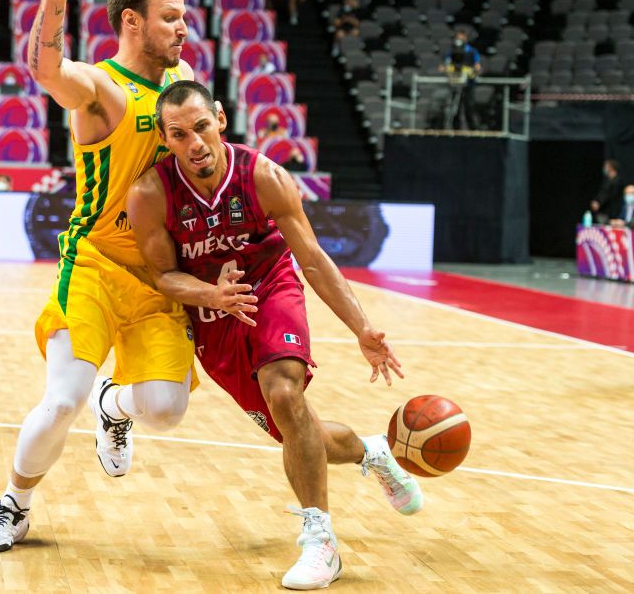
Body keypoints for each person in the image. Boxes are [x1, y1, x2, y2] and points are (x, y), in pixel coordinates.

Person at [127, 81, 422, 590]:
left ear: (220, 119)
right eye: (179, 134)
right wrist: (209, 295)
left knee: (285, 393)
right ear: (165, 137)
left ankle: (321, 542)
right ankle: (372, 451)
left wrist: (361, 328)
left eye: (201, 127)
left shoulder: (264, 176)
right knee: (298, 430)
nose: (194, 142)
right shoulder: (150, 194)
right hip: (215, 315)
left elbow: (311, 258)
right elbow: (163, 276)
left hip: (270, 287)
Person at [0, 0, 197, 553]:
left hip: (158, 275)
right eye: (171, 17)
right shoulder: (100, 88)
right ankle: (12, 504)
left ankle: (115, 408)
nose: (183, 28)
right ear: (132, 22)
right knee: (62, 398)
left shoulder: (187, 100)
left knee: (166, 409)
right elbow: (46, 70)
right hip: (94, 263)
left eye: (184, 18)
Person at [439, 30, 481, 130]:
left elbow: (477, 66)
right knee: (454, 108)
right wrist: (447, 68)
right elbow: (444, 66)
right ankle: (455, 129)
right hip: (455, 82)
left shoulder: (472, 51)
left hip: (468, 84)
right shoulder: (452, 51)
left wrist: (474, 70)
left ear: (466, 38)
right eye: (458, 37)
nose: (460, 39)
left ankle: (473, 130)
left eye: (462, 37)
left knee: (469, 108)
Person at [591, 159, 623, 225]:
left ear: (611, 168)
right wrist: (597, 201)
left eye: (606, 167)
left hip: (613, 212)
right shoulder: (606, 180)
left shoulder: (617, 182)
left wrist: (599, 202)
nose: (605, 169)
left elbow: (609, 195)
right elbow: (602, 193)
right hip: (603, 211)